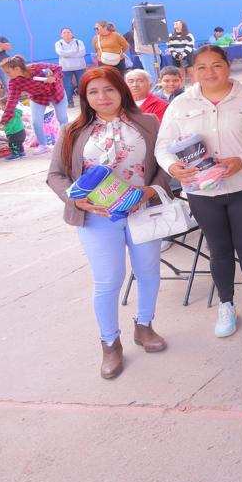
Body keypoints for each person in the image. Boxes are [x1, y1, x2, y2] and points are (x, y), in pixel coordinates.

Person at [45, 67, 169, 379]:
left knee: (148, 272)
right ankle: (110, 343)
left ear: (121, 90)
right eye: (93, 92)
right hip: (96, 218)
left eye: (109, 89)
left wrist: (151, 191)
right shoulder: (72, 131)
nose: (102, 97)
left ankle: (144, 326)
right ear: (84, 97)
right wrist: (75, 200)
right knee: (107, 280)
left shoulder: (148, 123)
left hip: (143, 211)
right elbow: (55, 175)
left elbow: (165, 166)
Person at [157, 45, 242, 336]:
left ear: (228, 66)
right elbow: (162, 146)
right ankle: (226, 304)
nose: (210, 72)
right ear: (192, 71)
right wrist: (173, 167)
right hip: (202, 193)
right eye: (202, 67)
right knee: (219, 249)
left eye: (216, 65)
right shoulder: (181, 104)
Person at [0, 56, 69, 153]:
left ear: (17, 69)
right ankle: (43, 145)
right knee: (36, 122)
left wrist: (54, 77)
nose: (6, 75)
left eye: (8, 72)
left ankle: (67, 142)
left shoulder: (37, 67)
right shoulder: (14, 83)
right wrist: (4, 120)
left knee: (62, 118)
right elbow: (11, 102)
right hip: (38, 98)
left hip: (55, 92)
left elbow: (58, 69)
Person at [54, 27, 88, 108]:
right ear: (61, 35)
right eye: (64, 32)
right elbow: (61, 53)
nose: (66, 34)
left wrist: (67, 54)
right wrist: (74, 51)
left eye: (68, 32)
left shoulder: (79, 42)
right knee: (67, 85)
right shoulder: (58, 43)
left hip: (80, 67)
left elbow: (82, 53)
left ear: (72, 34)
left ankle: (84, 101)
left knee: (82, 84)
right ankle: (70, 101)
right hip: (65, 68)